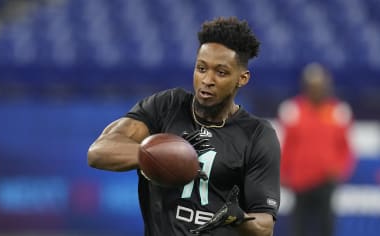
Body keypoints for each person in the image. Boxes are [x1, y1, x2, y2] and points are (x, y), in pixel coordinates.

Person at [88, 17, 280, 236]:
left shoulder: (257, 134)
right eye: (201, 68)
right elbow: (98, 152)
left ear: (242, 78)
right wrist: (157, 156)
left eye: (221, 72)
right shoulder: (167, 106)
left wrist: (237, 218)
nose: (207, 79)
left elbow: (265, 226)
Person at [277, 63, 355, 236]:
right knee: (299, 227)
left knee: (325, 226)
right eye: (313, 86)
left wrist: (340, 169)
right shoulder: (293, 110)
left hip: (326, 180)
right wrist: (283, 172)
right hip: (300, 180)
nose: (316, 90)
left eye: (320, 85)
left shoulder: (338, 111)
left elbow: (346, 148)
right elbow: (287, 146)